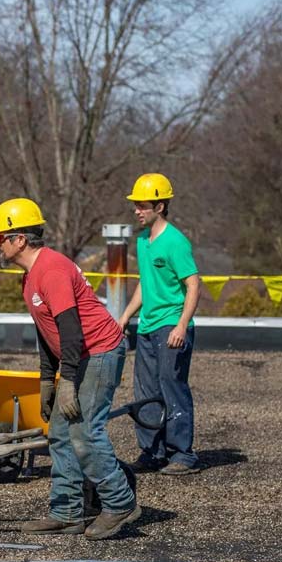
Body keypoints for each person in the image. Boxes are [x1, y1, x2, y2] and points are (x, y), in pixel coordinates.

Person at [0, 197, 140, 540]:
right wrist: (47, 378)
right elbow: (49, 333)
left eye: (1, 237)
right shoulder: (29, 278)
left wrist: (67, 380)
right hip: (79, 355)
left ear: (20, 239)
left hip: (99, 351)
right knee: (59, 432)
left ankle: (119, 502)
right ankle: (67, 513)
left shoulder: (52, 270)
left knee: (85, 432)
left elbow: (71, 330)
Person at [117, 173, 201, 475]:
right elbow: (146, 283)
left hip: (171, 325)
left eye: (142, 206)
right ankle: (152, 452)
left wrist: (181, 326)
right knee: (145, 390)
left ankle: (183, 454)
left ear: (160, 206)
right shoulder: (142, 241)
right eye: (135, 206)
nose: (137, 211)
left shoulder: (175, 242)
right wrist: (126, 316)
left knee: (171, 387)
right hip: (147, 326)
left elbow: (193, 285)